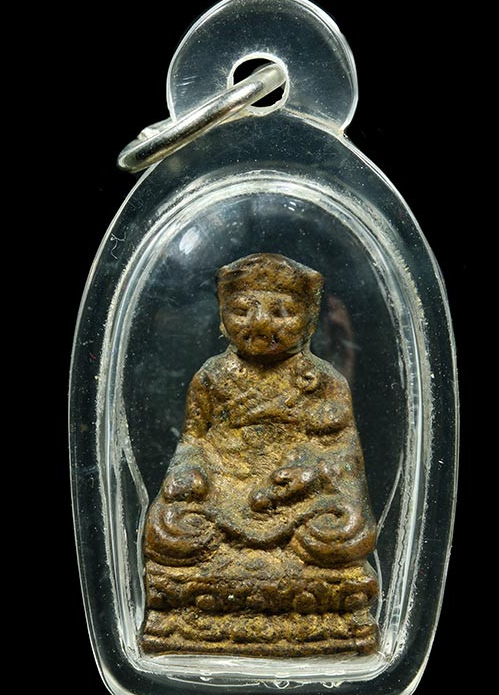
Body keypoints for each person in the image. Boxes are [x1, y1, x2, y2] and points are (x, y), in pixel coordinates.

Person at [141, 253, 378, 656]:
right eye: (241, 311)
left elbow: (344, 454)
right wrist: (189, 473)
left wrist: (310, 475)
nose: (261, 323)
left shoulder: (325, 383)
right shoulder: (211, 378)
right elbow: (194, 442)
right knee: (168, 531)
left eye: (282, 312)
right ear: (222, 317)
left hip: (298, 504)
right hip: (223, 492)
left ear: (310, 319)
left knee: (344, 534)